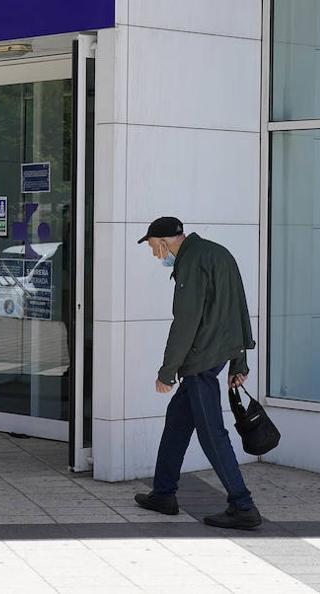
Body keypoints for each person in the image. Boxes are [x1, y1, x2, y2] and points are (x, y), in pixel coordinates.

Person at [132, 217, 262, 530]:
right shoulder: (218, 253)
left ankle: (242, 505)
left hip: (201, 360)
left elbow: (185, 322)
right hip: (217, 353)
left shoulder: (191, 262)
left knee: (211, 433)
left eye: (153, 247)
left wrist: (167, 371)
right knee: (177, 422)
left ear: (164, 241)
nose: (155, 255)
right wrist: (239, 358)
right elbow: (237, 308)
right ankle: (164, 493)